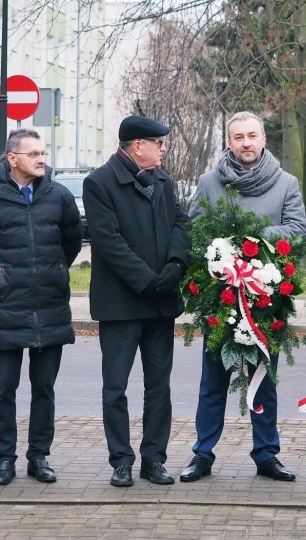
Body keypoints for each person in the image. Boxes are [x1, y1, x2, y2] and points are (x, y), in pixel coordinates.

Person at [179, 112, 306, 483]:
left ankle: (266, 454)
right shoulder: (208, 182)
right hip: (221, 298)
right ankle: (202, 454)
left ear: (264, 138)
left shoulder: (285, 183)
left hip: (266, 300)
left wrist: (249, 238)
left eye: (252, 135)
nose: (246, 143)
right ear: (229, 141)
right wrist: (221, 253)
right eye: (238, 137)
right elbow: (195, 233)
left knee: (263, 379)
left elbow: (298, 231)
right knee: (213, 381)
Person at [0, 128, 82, 485]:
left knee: (44, 389)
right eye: (33, 154)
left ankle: (39, 457)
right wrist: (1, 282)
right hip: (7, 308)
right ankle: (5, 459)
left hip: (50, 307)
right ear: (12, 159)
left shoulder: (59, 196)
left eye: (43, 153)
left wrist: (56, 272)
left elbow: (71, 243)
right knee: (4, 390)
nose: (42, 159)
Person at [83, 115, 190, 487]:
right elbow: (109, 242)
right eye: (157, 143)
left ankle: (153, 460)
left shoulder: (163, 180)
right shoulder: (99, 183)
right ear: (137, 146)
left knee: (159, 386)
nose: (163, 149)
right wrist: (149, 281)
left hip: (160, 305)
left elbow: (181, 223)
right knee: (116, 387)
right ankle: (121, 461)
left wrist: (176, 264)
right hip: (121, 305)